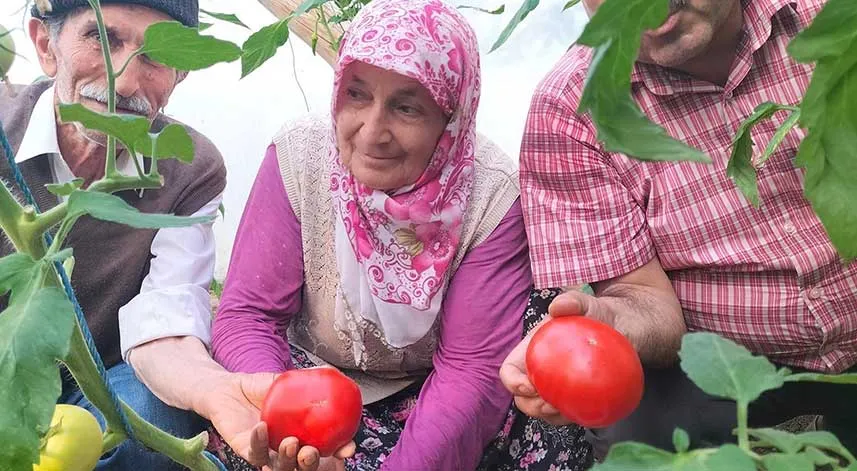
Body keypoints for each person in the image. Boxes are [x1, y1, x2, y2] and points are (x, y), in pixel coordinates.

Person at [209, 0, 593, 469]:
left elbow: (470, 371)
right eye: (357, 95)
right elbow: (249, 315)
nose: (372, 133)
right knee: (241, 438)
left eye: (407, 107)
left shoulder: (491, 198)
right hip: (309, 382)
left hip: (430, 390)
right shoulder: (300, 157)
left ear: (450, 120)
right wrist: (285, 429)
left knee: (539, 390)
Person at [500, 0, 857, 459]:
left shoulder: (829, 14)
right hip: (729, 358)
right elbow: (643, 297)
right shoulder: (570, 112)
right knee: (641, 432)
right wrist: (609, 325)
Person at [0, 1, 231, 469]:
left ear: (180, 77)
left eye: (157, 56)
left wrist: (217, 392)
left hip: (110, 370)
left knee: (157, 423)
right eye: (101, 39)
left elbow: (167, 319)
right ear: (46, 46)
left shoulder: (190, 167)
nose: (125, 81)